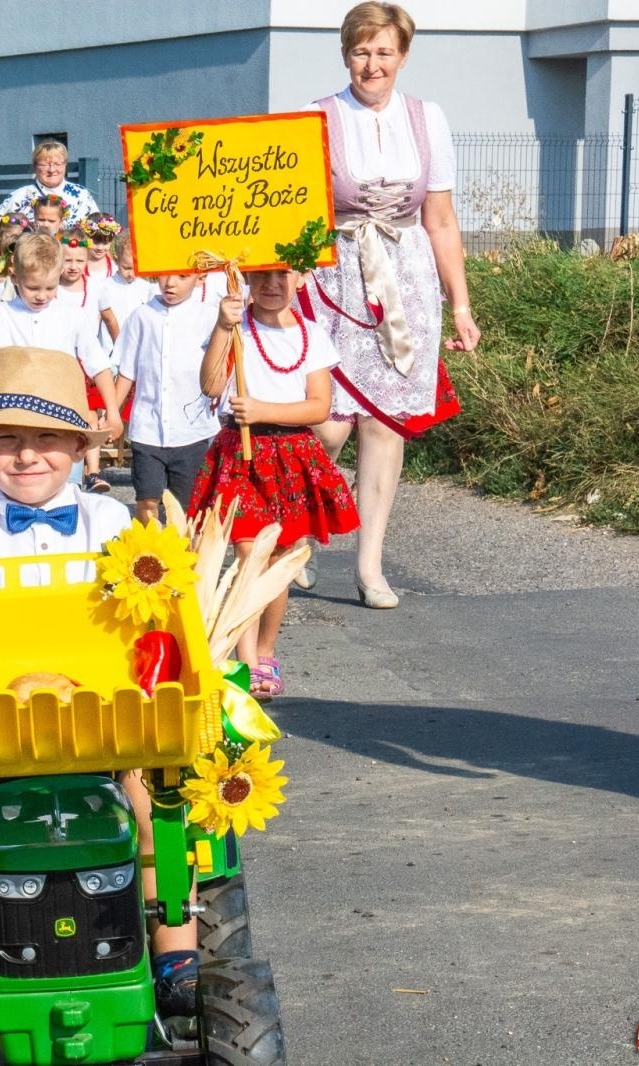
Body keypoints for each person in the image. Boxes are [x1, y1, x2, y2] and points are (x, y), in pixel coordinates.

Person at [0, 346, 202, 1025]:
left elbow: (143, 624)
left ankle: (176, 951)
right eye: (8, 441)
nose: (28, 457)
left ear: (81, 447)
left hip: (99, 718)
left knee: (150, 805)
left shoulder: (109, 524)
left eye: (48, 440)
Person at [306, 1, 480, 607]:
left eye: (383, 52)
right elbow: (294, 220)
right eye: (361, 51)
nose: (371, 64)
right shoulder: (318, 119)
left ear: (402, 56)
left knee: (384, 422)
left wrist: (460, 304)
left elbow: (440, 220)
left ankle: (370, 565)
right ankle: (299, 534)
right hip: (336, 278)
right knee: (324, 422)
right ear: (345, 54)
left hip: (405, 279)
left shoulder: (427, 119)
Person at [188, 268, 360, 698]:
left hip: (290, 455)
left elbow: (319, 407)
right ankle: (244, 661)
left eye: (281, 275)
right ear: (245, 279)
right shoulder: (235, 326)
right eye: (260, 275)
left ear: (300, 280)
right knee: (250, 553)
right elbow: (210, 383)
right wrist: (223, 328)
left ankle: (265, 651)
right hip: (241, 453)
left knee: (281, 560)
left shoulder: (312, 335)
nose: (271, 284)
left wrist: (263, 409)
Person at [0, 234, 122, 490]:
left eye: (50, 288)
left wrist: (113, 412)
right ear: (15, 279)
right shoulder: (1, 315)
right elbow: (3, 360)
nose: (42, 296)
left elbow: (98, 364)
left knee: (66, 483)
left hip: (65, 416)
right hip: (19, 415)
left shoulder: (73, 315)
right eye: (33, 288)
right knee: (22, 485)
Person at [111, 272, 220, 525]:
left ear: (200, 278)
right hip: (148, 430)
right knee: (147, 500)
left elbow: (221, 366)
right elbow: (127, 370)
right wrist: (112, 414)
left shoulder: (209, 317)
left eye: (182, 276)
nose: (170, 283)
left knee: (186, 509)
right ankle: (148, 555)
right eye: (164, 275)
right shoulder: (141, 316)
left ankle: (186, 560)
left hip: (191, 431)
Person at [57, 232, 114, 491]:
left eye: (79, 260)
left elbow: (110, 319)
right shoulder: (51, 288)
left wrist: (120, 351)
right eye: (67, 260)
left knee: (91, 415)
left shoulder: (95, 287)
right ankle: (65, 471)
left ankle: (94, 471)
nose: (73, 266)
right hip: (60, 360)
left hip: (87, 361)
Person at [0, 140, 99, 227]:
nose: (52, 170)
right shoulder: (18, 196)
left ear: (65, 165)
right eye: (45, 164)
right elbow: (1, 233)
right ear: (35, 166)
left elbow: (96, 229)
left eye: (57, 164)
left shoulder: (81, 194)